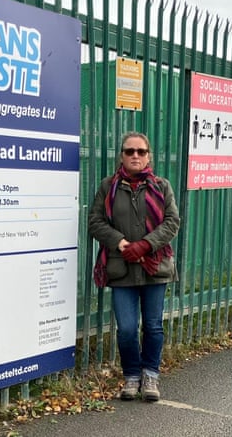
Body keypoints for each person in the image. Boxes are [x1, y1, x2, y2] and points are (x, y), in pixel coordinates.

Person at [88, 131, 180, 401]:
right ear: (122, 156)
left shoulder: (161, 186)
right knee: (127, 328)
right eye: (130, 151)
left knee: (152, 326)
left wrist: (146, 244)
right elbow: (95, 222)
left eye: (141, 151)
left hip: (155, 268)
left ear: (148, 155)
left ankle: (150, 374)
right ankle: (131, 376)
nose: (135, 156)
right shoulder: (108, 187)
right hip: (122, 268)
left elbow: (172, 221)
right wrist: (121, 243)